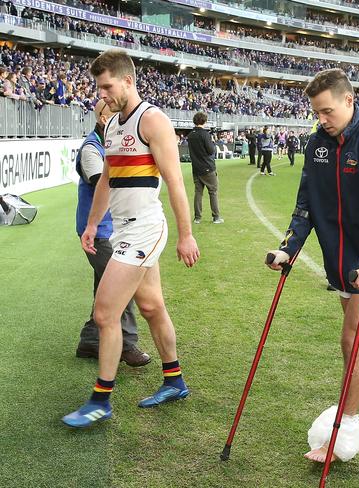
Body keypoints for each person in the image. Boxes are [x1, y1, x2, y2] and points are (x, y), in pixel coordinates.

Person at [267, 68, 359, 463]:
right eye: (317, 112)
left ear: (349, 100)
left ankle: (345, 430)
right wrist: (287, 248)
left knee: (352, 339)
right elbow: (306, 205)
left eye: (328, 111)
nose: (322, 119)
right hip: (340, 262)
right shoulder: (317, 143)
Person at [62, 49, 200, 429]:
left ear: (127, 80)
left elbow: (174, 181)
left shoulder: (152, 120)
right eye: (98, 86)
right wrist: (92, 225)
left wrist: (186, 235)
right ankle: (174, 380)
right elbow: (106, 180)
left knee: (105, 313)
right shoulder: (110, 127)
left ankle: (100, 400)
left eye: (106, 86)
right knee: (153, 307)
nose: (101, 93)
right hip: (123, 229)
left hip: (145, 228)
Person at [74, 100, 151, 368]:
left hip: (112, 230)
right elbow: (103, 183)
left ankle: (90, 340)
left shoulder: (107, 145)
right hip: (100, 233)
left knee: (104, 286)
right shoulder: (91, 150)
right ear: (104, 119)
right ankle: (127, 345)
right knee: (122, 287)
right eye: (117, 116)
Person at [187, 112, 223, 224]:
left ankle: (197, 217)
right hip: (207, 167)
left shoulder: (191, 135)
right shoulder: (205, 134)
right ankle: (216, 216)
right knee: (213, 191)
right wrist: (212, 142)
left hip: (196, 167)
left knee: (198, 192)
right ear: (204, 121)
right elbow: (211, 150)